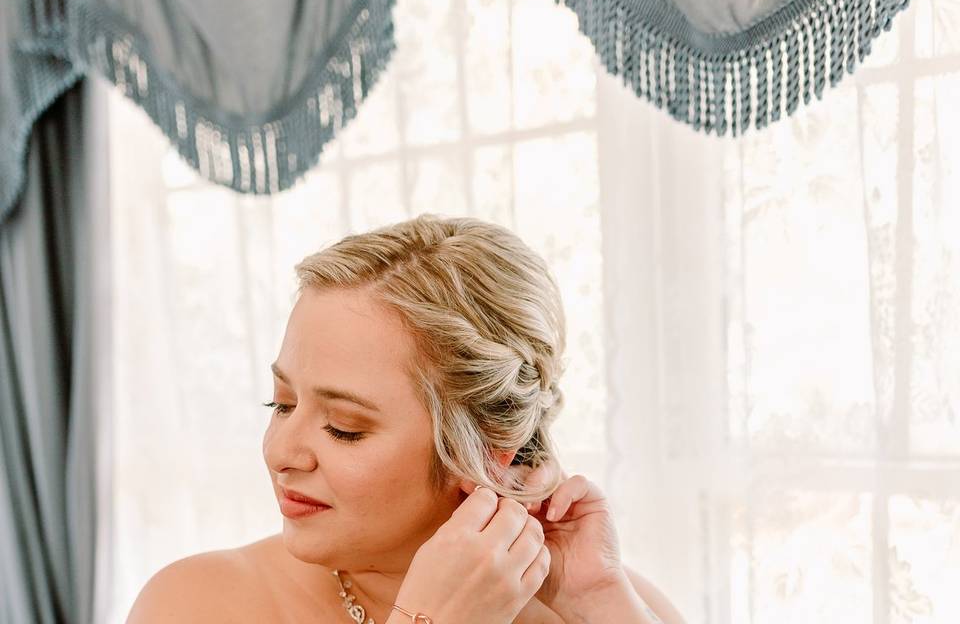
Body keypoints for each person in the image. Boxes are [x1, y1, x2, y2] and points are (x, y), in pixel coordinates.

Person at [127, 214, 685, 624]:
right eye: (283, 404)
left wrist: (599, 600)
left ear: (492, 444)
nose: (281, 452)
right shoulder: (194, 604)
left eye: (344, 426)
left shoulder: (608, 602)